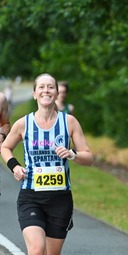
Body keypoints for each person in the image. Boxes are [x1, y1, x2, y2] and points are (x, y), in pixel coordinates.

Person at [1, 73, 93, 255]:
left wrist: (72, 154)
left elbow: (88, 158)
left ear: (57, 93)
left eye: (51, 87)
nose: (46, 90)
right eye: (41, 87)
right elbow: (5, 148)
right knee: (36, 249)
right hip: (31, 197)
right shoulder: (23, 124)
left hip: (60, 200)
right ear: (34, 94)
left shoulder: (69, 122)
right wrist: (15, 166)